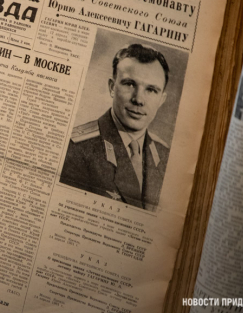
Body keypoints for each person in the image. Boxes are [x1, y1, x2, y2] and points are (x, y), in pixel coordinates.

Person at [59, 43, 171, 211]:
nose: (138, 100)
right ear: (112, 87)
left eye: (151, 90)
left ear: (161, 99)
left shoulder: (164, 154)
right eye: (130, 84)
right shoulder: (77, 149)